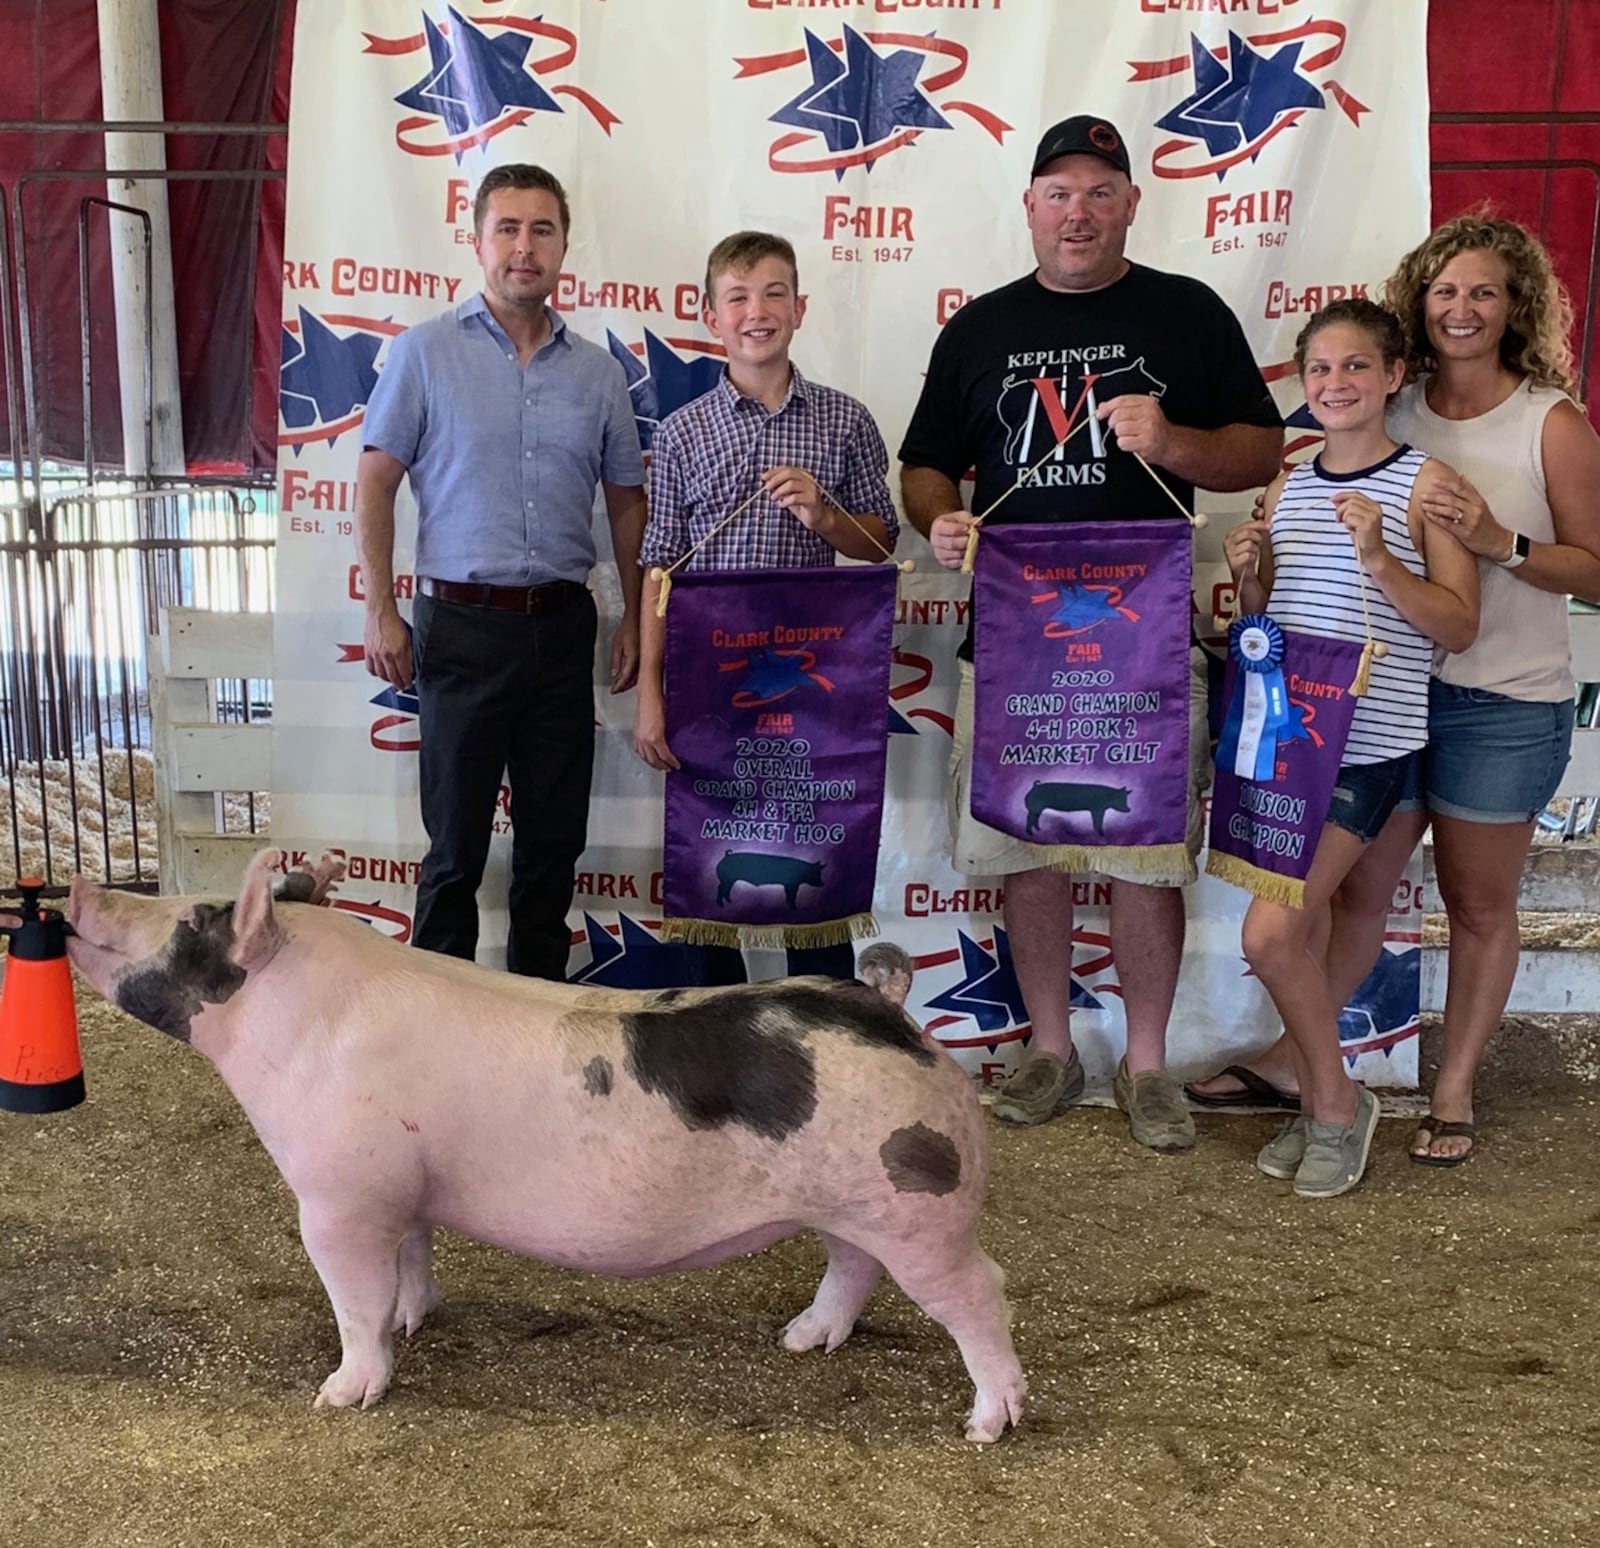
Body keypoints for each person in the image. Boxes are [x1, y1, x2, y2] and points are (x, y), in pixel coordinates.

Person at [898, 114, 1283, 1150]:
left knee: (1143, 856)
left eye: (1099, 192)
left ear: (1129, 205)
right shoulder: (977, 330)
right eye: (1058, 192)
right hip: (1015, 641)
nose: (1078, 211)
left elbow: (1259, 450)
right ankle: (1050, 1051)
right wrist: (935, 511)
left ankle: (1147, 1066)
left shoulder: (1187, 312)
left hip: (1143, 642)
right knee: (1028, 852)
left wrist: (1175, 441)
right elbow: (925, 459)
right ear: (1029, 207)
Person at [1187, 214, 1600, 1169]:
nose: (1463, 308)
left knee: (1478, 902)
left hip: (1498, 693)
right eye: (1446, 291)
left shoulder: (1551, 421)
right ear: (1417, 315)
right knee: (1362, 894)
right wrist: (1255, 575)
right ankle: (1309, 1068)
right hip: (1372, 712)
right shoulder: (1377, 421)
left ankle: (1447, 1090)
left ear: (1515, 307)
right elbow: (1287, 592)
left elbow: (1580, 571)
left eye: (1485, 291)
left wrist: (1502, 544)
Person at [355, 163, 647, 981]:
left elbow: (627, 502)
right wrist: (382, 611)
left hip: (562, 627)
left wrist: (634, 620)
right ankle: (441, 1040)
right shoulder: (423, 354)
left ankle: (539, 1033)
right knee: (454, 848)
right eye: (509, 229)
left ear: (562, 245)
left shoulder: (597, 373)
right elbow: (375, 482)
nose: (526, 247)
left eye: (542, 230)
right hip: (460, 630)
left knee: (554, 845)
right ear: (478, 241)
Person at [1225, 299, 1478, 1197]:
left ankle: (1335, 1103)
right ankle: (1316, 1096)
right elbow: (1264, 627)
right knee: (1311, 928)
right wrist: (1248, 576)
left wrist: (1380, 558)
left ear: (1393, 374)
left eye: (1356, 367)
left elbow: (1458, 624)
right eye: (1321, 369)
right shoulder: (1286, 485)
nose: (1336, 384)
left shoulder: (1425, 486)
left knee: (1269, 935)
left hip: (1371, 748)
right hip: (1291, 745)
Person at [633, 230, 897, 981]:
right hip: (709, 686)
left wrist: (826, 518)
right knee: (712, 856)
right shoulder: (682, 432)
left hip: (808, 690)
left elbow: (880, 546)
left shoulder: (845, 421)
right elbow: (659, 570)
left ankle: (823, 1053)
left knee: (812, 866)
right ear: (711, 315)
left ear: (801, 307)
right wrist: (652, 691)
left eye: (775, 293)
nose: (758, 311)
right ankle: (712, 1073)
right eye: (739, 297)